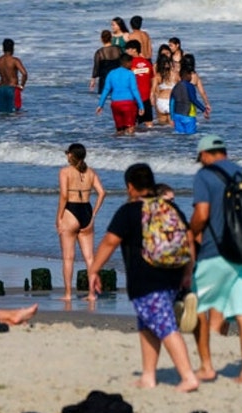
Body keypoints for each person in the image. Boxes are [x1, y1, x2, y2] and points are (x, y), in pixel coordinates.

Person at [86, 163, 199, 392]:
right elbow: (189, 239)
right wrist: (187, 272)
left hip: (146, 279)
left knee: (165, 326)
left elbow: (109, 242)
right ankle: (148, 376)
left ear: (130, 187)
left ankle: (188, 376)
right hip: (172, 275)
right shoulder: (170, 208)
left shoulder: (128, 212)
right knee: (147, 324)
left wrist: (93, 270)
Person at [189, 135, 242, 385]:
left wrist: (190, 232)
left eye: (201, 158)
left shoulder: (204, 175)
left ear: (206, 154)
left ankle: (207, 367)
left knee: (199, 307)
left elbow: (202, 213)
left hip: (215, 252)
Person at [56, 144, 106, 300]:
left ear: (71, 155)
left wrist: (59, 216)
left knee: (68, 257)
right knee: (90, 258)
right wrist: (94, 213)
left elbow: (64, 195)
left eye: (67, 154)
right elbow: (102, 193)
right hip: (87, 211)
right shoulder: (91, 172)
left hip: (70, 211)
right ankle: (92, 294)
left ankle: (68, 294)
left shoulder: (65, 172)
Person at [97, 53, 143, 136]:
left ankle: (118, 146)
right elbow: (134, 90)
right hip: (128, 104)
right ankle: (130, 147)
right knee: (130, 129)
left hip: (115, 104)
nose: (132, 64)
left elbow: (106, 90)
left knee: (119, 130)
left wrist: (100, 105)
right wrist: (141, 105)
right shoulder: (130, 74)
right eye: (131, 62)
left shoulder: (111, 73)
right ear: (127, 63)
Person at [0, 39, 27, 114]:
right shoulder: (15, 60)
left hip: (2, 88)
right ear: (13, 48)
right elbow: (24, 73)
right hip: (12, 88)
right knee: (16, 112)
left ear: (3, 48)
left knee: (2, 112)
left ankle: (3, 126)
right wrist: (22, 85)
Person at [171, 58, 209, 135]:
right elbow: (193, 99)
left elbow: (171, 101)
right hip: (188, 115)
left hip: (177, 115)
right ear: (187, 75)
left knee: (179, 135)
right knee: (190, 136)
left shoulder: (176, 86)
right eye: (190, 75)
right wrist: (203, 109)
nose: (191, 77)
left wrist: (172, 117)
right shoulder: (190, 86)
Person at [124, 40, 154, 128]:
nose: (126, 51)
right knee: (149, 123)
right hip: (146, 97)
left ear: (134, 50)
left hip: (134, 98)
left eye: (128, 49)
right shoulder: (148, 63)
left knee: (131, 125)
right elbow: (152, 79)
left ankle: (135, 141)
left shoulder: (129, 64)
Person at [90, 30, 121, 95]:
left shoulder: (99, 52)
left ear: (101, 39)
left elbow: (96, 67)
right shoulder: (118, 49)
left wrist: (93, 80)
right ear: (111, 38)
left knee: (104, 97)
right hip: (117, 77)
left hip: (105, 78)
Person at [153, 52, 178, 126]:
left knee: (162, 127)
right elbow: (182, 87)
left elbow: (154, 91)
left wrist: (155, 104)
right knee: (172, 126)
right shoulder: (175, 74)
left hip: (161, 101)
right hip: (171, 102)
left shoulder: (157, 76)